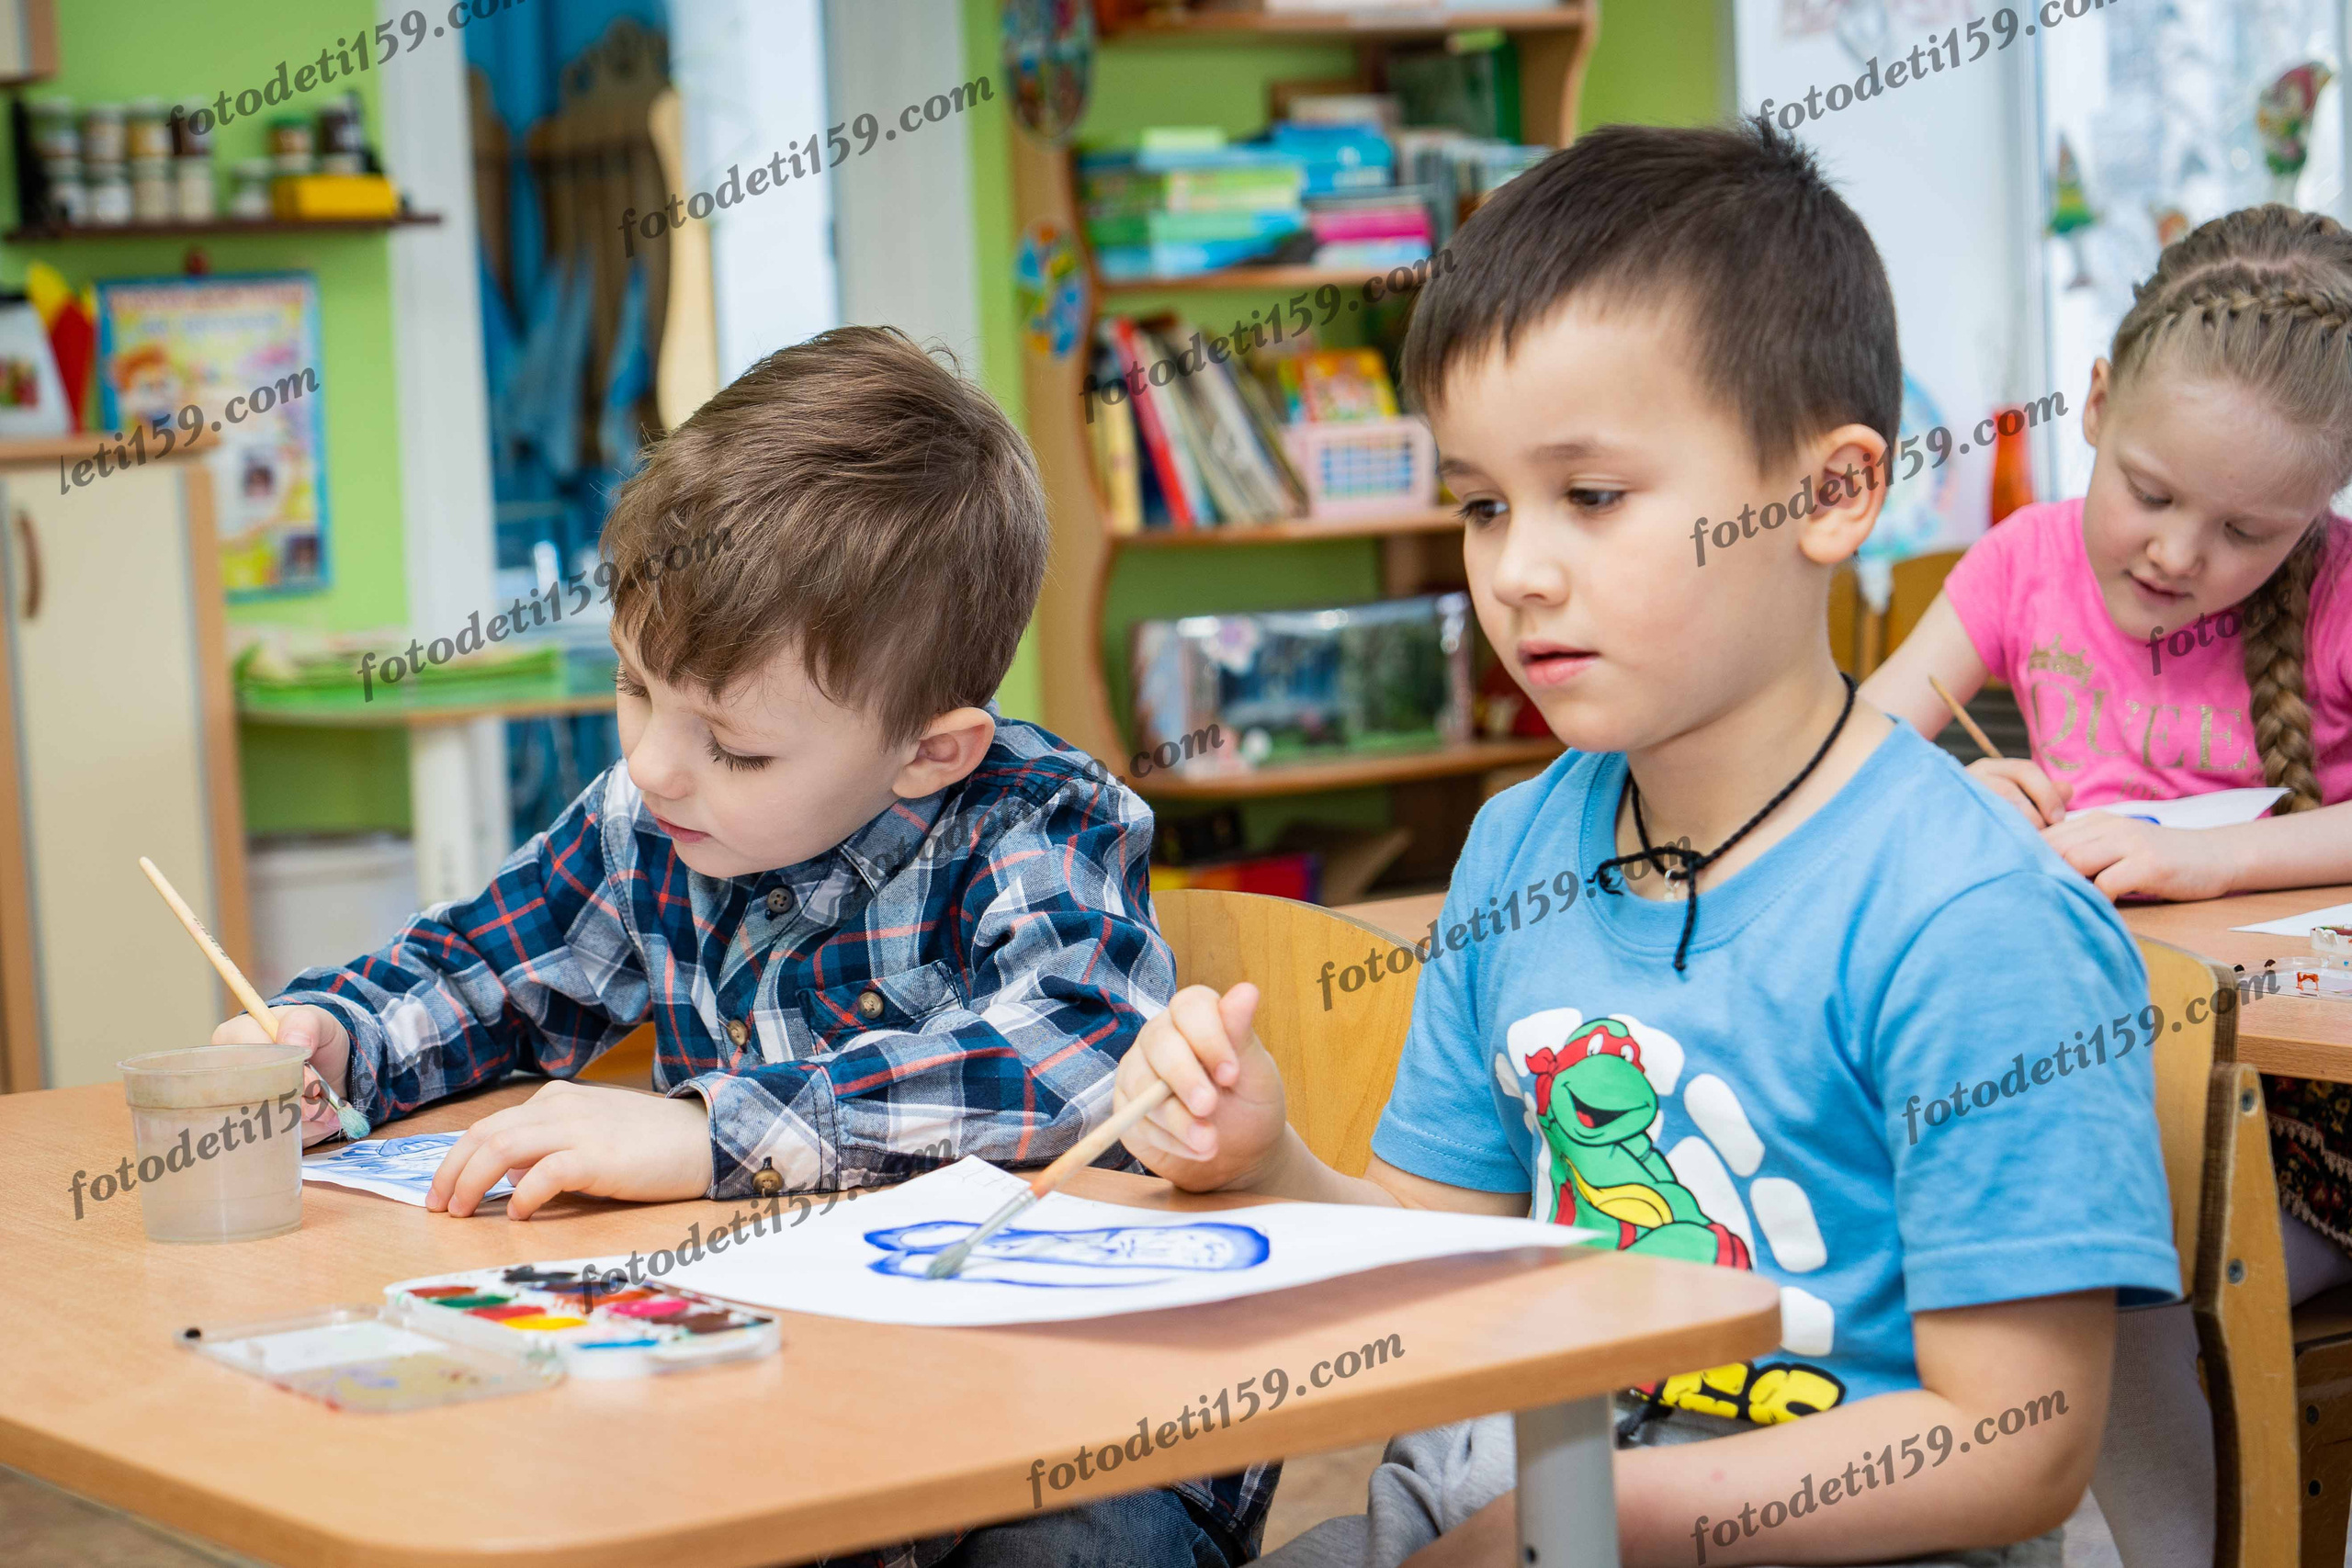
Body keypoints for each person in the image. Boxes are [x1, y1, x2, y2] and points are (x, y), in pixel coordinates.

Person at [1114, 118, 2178, 1567]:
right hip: (1513, 1494)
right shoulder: (1515, 851)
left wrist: (1586, 1521)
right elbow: (1449, 1262)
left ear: (1831, 493)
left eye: (1592, 497)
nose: (1517, 571)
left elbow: (2020, 1440)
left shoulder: (1970, 922)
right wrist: (1270, 1166)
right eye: (1484, 505)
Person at [209, 326, 1270, 1568]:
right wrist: (332, 1038)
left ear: (932, 751)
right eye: (634, 687)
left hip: (1073, 1421)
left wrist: (712, 1132)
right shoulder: (656, 816)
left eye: (735, 744)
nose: (654, 761)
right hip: (805, 1391)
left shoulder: (1038, 819)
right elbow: (478, 975)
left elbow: (1079, 1054)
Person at [1863, 205, 2352, 1567]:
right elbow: (1841, 759)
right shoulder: (2021, 565)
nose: (2180, 556)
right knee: (2036, 1219)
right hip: (2113, 1085)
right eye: (2150, 492)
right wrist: (1951, 787)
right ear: (2090, 404)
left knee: (2100, 1241)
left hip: (2312, 1121)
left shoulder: (2338, 597)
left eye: (2248, 530)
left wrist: (2213, 855)